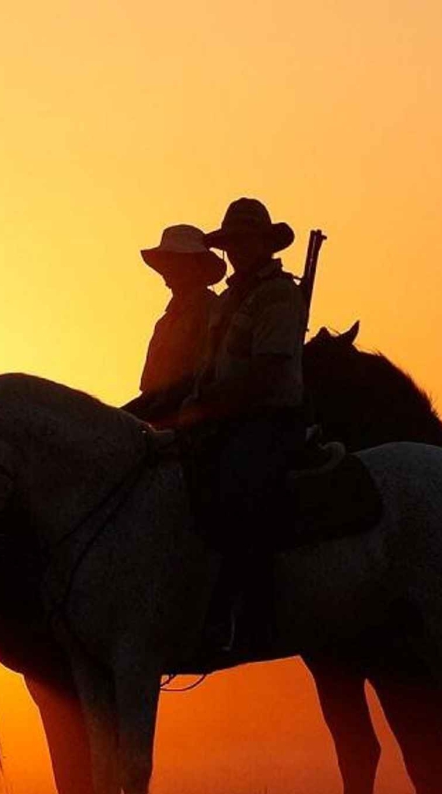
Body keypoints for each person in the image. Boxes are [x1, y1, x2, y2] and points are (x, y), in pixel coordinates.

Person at [174, 197, 308, 654]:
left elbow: (268, 371)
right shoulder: (227, 300)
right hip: (220, 419)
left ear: (265, 244)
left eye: (245, 241)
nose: (237, 250)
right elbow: (210, 368)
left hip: (268, 421)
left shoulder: (280, 295)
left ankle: (244, 609)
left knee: (237, 486)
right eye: (231, 243)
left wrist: (209, 406)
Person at [124, 224, 225, 422]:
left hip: (191, 417)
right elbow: (150, 391)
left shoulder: (212, 310)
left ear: (196, 266)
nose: (169, 269)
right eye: (167, 262)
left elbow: (202, 377)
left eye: (176, 262)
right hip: (158, 415)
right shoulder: (165, 322)